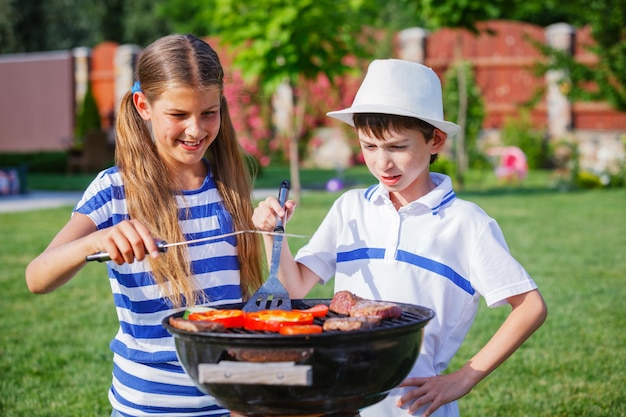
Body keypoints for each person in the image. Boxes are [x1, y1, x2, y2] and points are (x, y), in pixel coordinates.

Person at [252, 59, 548, 417]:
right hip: (341, 401)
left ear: (435, 139)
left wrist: (464, 378)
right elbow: (295, 287)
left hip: (414, 407)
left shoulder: (466, 224)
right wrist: (272, 234)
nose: (382, 164)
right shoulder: (350, 208)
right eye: (369, 147)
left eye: (396, 147)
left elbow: (530, 307)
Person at [25, 34, 263, 417]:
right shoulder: (114, 190)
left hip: (230, 402)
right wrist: (96, 241)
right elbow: (37, 277)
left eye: (209, 112)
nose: (196, 129)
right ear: (144, 105)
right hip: (150, 406)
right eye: (178, 115)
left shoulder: (230, 182)